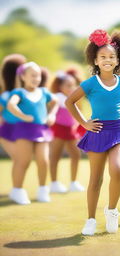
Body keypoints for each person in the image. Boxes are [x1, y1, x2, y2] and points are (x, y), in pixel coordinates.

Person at [65, 29, 120, 236]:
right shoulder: (89, 84)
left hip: (118, 131)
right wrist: (84, 123)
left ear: (118, 60)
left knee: (117, 169)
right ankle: (90, 220)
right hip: (97, 131)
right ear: (95, 61)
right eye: (103, 57)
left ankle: (112, 211)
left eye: (111, 57)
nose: (107, 60)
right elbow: (69, 101)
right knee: (95, 179)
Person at [7, 61, 58, 205]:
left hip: (41, 130)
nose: (36, 78)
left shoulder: (43, 92)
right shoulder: (19, 92)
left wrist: (52, 115)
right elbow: (11, 105)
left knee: (43, 160)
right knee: (23, 161)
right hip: (24, 130)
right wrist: (23, 116)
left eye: (38, 76)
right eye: (32, 75)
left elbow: (55, 102)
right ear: (23, 76)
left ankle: (43, 190)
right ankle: (17, 191)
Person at [49, 72, 84, 193]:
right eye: (68, 85)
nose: (71, 88)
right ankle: (54, 183)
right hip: (58, 129)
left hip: (71, 130)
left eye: (73, 85)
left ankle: (74, 182)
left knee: (76, 155)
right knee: (55, 156)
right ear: (60, 86)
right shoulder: (57, 97)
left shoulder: (74, 98)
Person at [0, 54, 26, 159]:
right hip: (8, 130)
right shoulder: (6, 96)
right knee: (19, 160)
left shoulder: (24, 94)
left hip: (22, 129)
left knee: (21, 160)